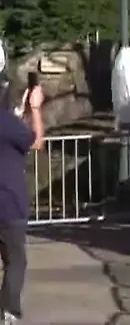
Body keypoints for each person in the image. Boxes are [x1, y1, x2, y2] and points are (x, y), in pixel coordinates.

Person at [0, 80, 43, 323]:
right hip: (9, 203)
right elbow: (35, 140)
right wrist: (35, 109)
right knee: (15, 260)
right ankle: (9, 310)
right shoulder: (8, 123)